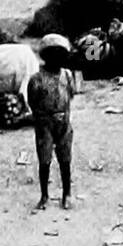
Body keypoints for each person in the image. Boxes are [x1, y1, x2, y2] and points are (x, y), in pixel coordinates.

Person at [29, 34, 78, 211]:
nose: (58, 59)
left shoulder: (67, 75)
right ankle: (44, 195)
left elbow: (70, 95)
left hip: (63, 121)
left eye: (61, 54)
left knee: (65, 160)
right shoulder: (36, 79)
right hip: (45, 124)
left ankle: (67, 193)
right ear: (45, 56)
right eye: (53, 54)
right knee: (45, 160)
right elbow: (32, 101)